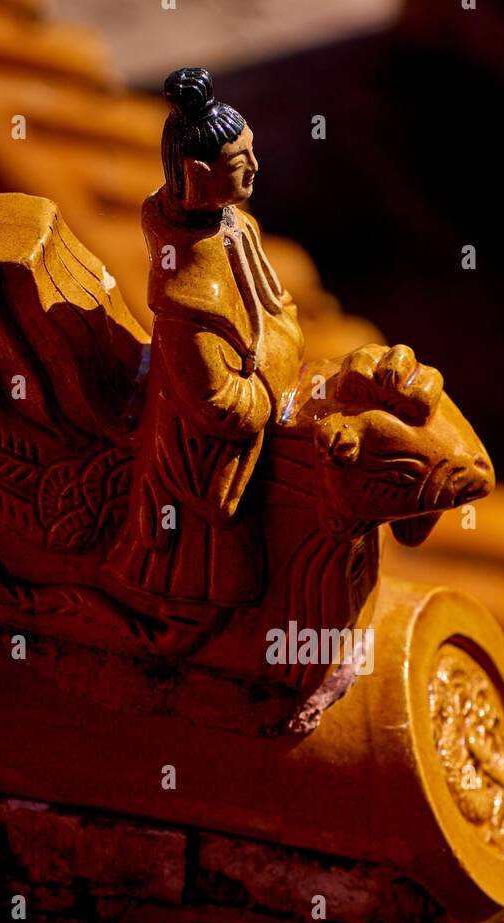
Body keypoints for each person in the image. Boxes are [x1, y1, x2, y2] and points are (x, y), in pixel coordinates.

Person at [102, 67, 304, 616]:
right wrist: (275, 366)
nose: (258, 169)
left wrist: (273, 348)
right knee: (210, 581)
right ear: (195, 173)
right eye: (240, 163)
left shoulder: (239, 226)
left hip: (259, 400)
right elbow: (218, 406)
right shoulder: (185, 296)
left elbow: (282, 308)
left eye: (252, 152)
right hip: (207, 462)